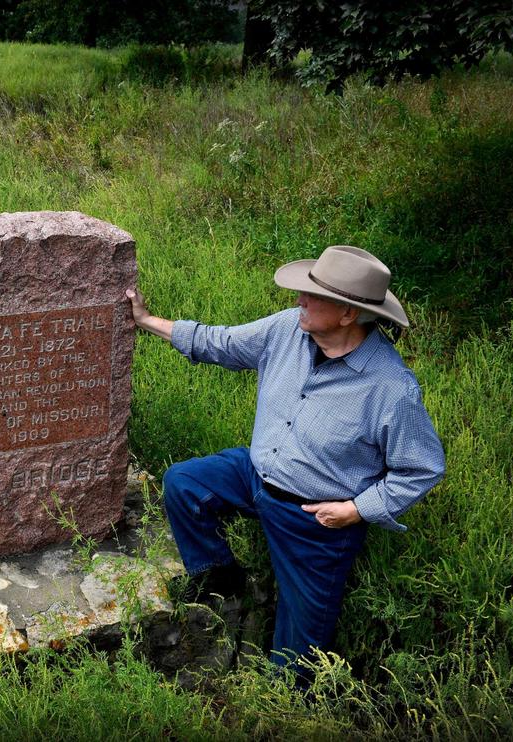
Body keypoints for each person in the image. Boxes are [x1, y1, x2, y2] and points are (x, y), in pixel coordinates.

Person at [126, 245, 445, 674]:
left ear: (349, 314)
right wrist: (147, 321)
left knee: (298, 654)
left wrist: (355, 510)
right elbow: (218, 342)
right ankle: (223, 586)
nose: (300, 300)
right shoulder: (286, 330)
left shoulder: (390, 387)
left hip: (314, 520)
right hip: (255, 475)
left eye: (312, 296)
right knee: (184, 483)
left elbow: (422, 468)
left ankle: (286, 705)